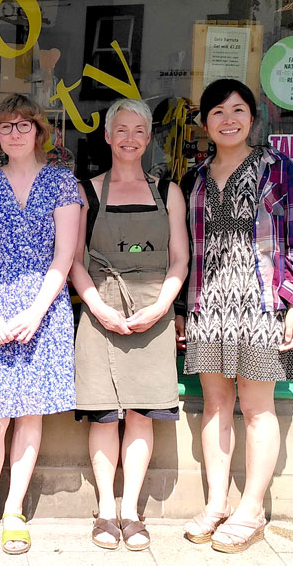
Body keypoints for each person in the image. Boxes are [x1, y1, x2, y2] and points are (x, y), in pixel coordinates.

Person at [176, 78, 293, 553]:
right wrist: (180, 310)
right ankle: (217, 503)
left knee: (257, 408)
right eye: (217, 112)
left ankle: (251, 507)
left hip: (261, 304)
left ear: (253, 118)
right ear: (205, 122)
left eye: (238, 110)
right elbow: (183, 253)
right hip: (208, 305)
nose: (228, 119)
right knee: (213, 405)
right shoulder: (193, 177)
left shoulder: (278, 169)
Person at [0, 94, 82, 556]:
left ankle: (13, 509)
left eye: (22, 126)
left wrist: (35, 312)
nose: (14, 133)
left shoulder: (62, 184)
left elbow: (63, 257)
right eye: (5, 127)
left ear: (38, 132)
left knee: (29, 415)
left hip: (44, 309)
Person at [68, 99, 189, 551]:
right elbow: (75, 259)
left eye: (139, 130)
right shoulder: (87, 191)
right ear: (107, 135)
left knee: (142, 413)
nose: (130, 138)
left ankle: (131, 512)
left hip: (153, 311)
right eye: (121, 129)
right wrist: (97, 307)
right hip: (100, 309)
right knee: (103, 413)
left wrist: (161, 307)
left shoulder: (168, 191)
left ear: (149, 136)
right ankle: (104, 511)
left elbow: (181, 259)